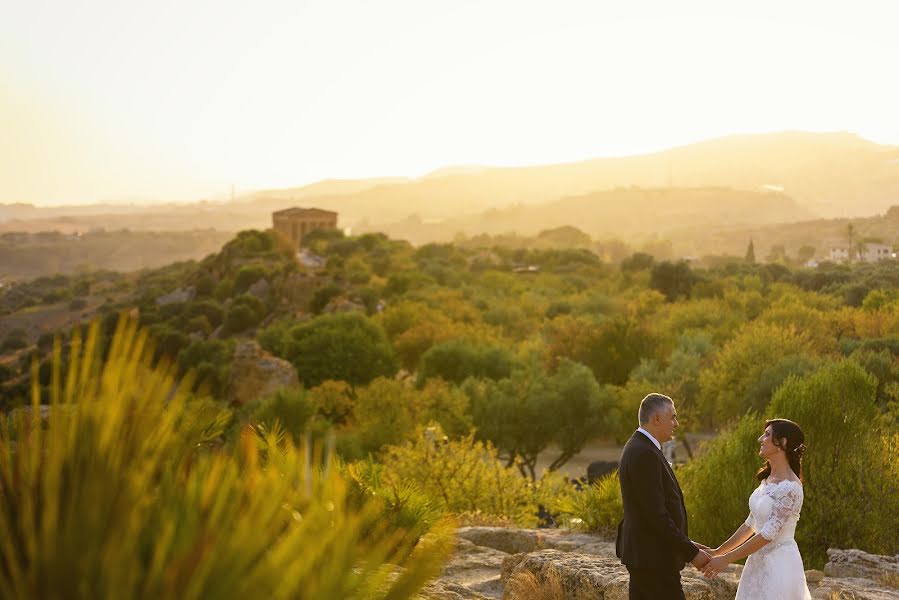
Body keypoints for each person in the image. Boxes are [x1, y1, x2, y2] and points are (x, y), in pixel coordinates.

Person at [698, 419, 811, 600]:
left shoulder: (791, 488)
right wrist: (717, 551)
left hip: (779, 567)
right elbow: (750, 524)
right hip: (756, 565)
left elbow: (767, 534)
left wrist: (726, 559)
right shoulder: (767, 481)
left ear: (782, 443)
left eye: (767, 434)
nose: (761, 439)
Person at [616, 393, 710, 599]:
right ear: (656, 419)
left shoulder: (641, 447)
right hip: (653, 560)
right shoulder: (644, 453)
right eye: (673, 417)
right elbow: (655, 515)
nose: (676, 423)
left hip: (649, 556)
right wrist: (691, 553)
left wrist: (686, 542)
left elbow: (652, 510)